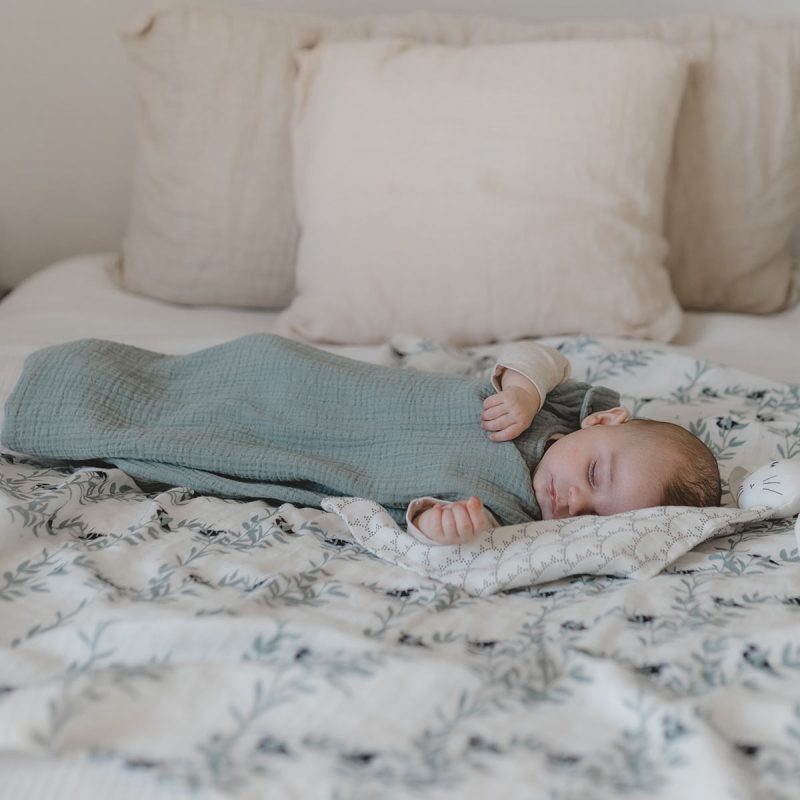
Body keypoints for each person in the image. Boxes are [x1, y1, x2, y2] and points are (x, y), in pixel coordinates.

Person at [1, 334, 721, 547]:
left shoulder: (513, 515)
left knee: (179, 436)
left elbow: (419, 521)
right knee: (199, 381)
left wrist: (442, 524)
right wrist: (525, 390)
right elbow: (545, 356)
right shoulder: (552, 412)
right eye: (594, 476)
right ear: (603, 425)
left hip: (302, 446)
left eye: (594, 519)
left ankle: (57, 404)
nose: (573, 503)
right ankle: (74, 368)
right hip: (297, 380)